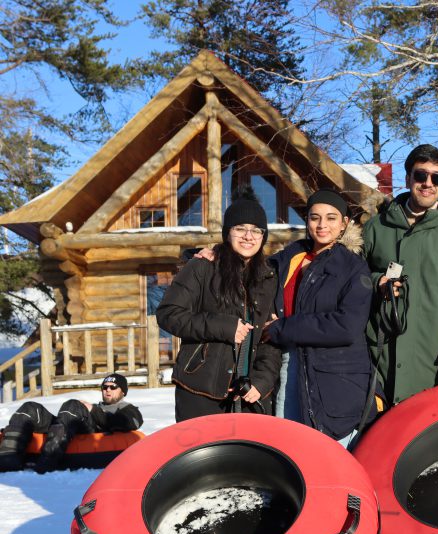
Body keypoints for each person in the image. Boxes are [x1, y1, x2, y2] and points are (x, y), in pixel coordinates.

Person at [363, 144, 438, 405]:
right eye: (420, 175)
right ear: (408, 179)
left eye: (436, 178)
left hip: (433, 359)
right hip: (377, 358)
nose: (427, 183)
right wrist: (376, 282)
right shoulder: (376, 228)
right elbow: (352, 280)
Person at [262, 189, 373, 446]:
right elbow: (250, 269)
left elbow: (347, 326)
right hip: (289, 363)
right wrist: (212, 253)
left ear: (345, 223)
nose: (322, 225)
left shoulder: (352, 267)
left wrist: (283, 327)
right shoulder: (290, 257)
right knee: (289, 447)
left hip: (334, 373)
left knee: (327, 453)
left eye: (331, 218)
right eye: (315, 217)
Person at [157, 197, 281, 422]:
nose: (248, 236)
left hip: (250, 395)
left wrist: (262, 380)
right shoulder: (203, 267)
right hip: (201, 390)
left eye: (256, 230)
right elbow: (168, 314)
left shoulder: (269, 277)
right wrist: (222, 326)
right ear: (227, 233)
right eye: (240, 228)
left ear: (264, 237)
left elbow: (270, 334)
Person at [0, 373, 143, 473]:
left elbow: (129, 423)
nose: (107, 390)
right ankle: (8, 459)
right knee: (29, 408)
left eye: (113, 387)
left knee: (73, 405)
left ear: (123, 391)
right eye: (105, 387)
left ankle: (48, 461)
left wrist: (92, 410)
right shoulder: (96, 406)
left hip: (91, 433)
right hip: (71, 425)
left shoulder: (128, 409)